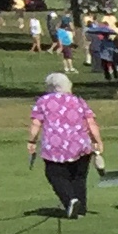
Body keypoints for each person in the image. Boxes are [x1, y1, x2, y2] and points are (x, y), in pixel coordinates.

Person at [26, 70, 101, 214]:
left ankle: (70, 200)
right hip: (80, 143)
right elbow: (90, 122)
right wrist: (97, 140)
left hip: (56, 145)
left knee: (55, 174)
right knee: (78, 176)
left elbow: (36, 123)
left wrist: (31, 140)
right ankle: (81, 206)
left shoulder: (43, 101)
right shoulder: (78, 100)